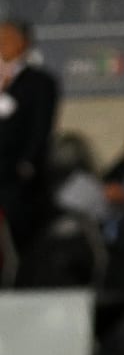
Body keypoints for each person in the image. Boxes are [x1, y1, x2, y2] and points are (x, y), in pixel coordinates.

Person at [0, 17, 59, 259]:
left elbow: (40, 128)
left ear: (24, 43)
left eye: (7, 38)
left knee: (20, 235)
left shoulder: (39, 82)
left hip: (18, 180)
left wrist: (27, 165)